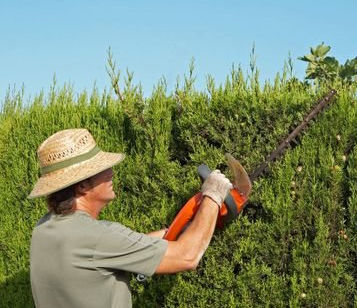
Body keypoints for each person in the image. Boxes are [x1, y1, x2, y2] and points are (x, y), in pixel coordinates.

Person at [28, 128, 232, 307]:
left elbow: (114, 248)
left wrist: (181, 230)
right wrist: (213, 196)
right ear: (82, 186)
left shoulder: (43, 228)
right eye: (101, 169)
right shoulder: (99, 236)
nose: (111, 173)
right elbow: (186, 257)